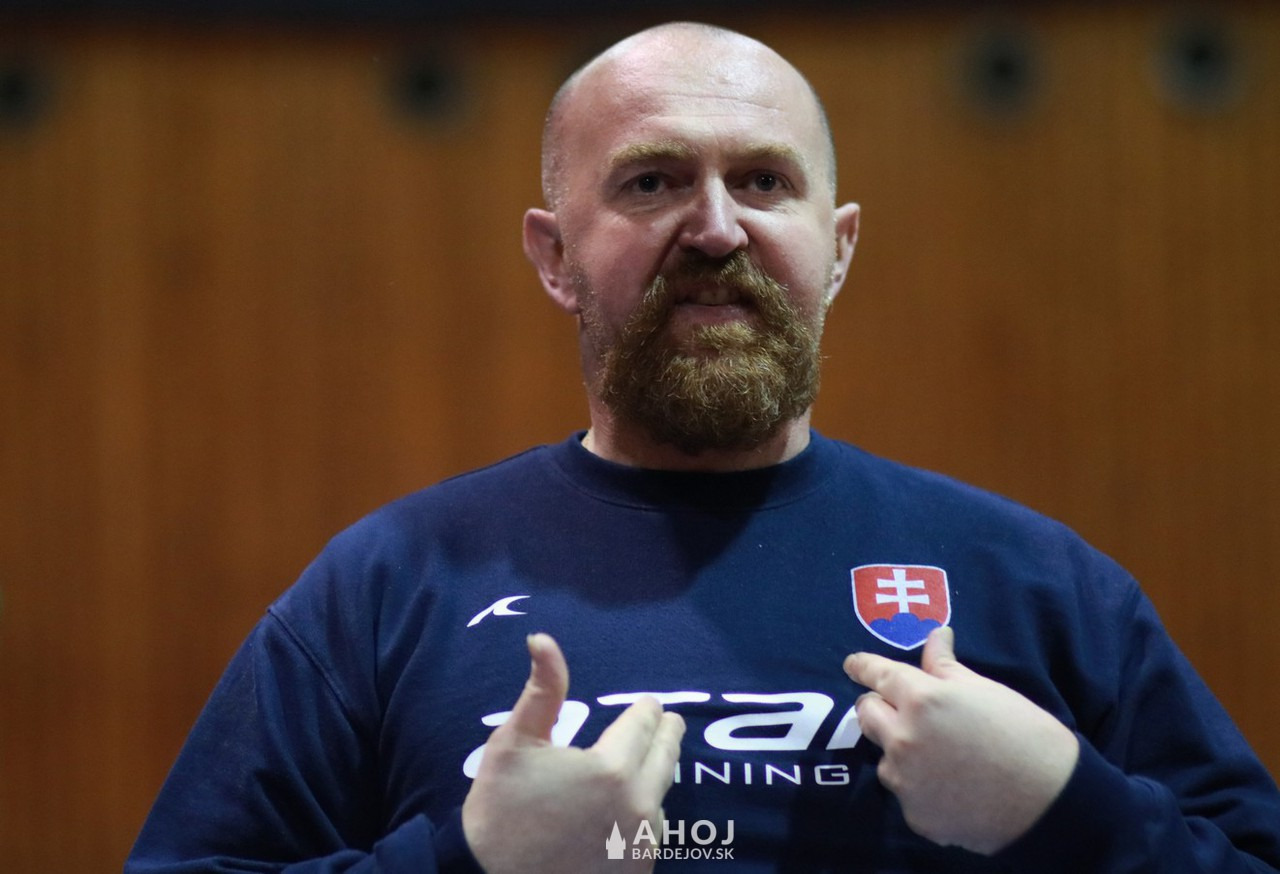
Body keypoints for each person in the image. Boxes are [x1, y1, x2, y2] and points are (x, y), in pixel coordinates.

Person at [126, 21, 1280, 874]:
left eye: (762, 181)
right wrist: (468, 863)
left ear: (836, 249)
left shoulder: (1038, 584)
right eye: (652, 180)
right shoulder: (386, 587)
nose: (716, 228)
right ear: (552, 256)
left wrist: (1068, 812)